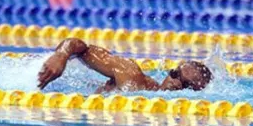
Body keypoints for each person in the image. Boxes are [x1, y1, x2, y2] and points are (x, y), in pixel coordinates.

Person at [37, 38, 213, 94]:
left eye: (185, 84)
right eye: (175, 74)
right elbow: (78, 46)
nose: (175, 82)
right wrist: (61, 55)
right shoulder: (130, 73)